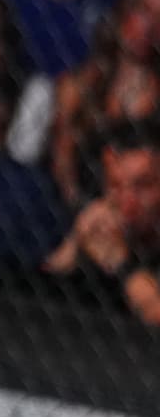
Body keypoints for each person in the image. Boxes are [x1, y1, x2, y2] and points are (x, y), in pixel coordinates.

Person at [43, 121, 160, 326]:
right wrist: (75, 242)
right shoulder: (102, 233)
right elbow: (37, 295)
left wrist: (122, 266)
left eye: (142, 186)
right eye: (115, 186)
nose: (127, 200)